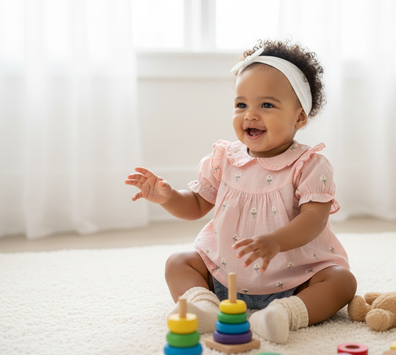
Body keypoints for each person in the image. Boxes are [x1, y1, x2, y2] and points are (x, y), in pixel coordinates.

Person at [125, 39, 357, 344]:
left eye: (267, 105)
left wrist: (276, 241)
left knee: (342, 282)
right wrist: (168, 197)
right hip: (225, 276)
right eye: (241, 104)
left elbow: (314, 219)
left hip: (296, 277)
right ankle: (204, 306)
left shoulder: (309, 165)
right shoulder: (225, 158)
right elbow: (196, 204)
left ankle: (285, 314)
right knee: (178, 262)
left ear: (299, 117)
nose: (250, 114)